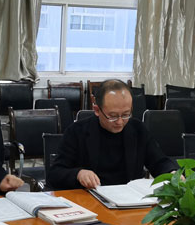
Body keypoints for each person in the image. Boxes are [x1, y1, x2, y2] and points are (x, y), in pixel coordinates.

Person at [46, 79, 176, 190]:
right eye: (113, 116)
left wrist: (172, 173)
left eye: (126, 114)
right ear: (97, 110)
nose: (119, 122)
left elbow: (159, 162)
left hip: (128, 198)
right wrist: (78, 174)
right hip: (90, 198)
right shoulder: (77, 131)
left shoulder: (138, 129)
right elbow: (55, 174)